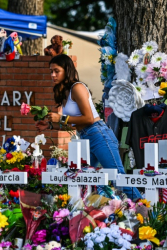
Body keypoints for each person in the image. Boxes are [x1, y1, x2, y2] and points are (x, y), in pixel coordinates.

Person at [35, 54, 141, 200]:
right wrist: (51, 126)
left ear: (67, 70)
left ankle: (146, 211)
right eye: (51, 71)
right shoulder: (65, 93)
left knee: (118, 179)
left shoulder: (77, 87)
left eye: (56, 71)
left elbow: (89, 118)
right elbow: (75, 124)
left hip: (98, 135)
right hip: (85, 137)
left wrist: (61, 118)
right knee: (81, 179)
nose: (52, 75)